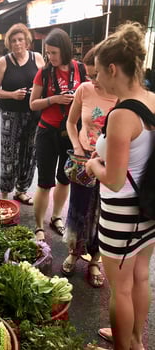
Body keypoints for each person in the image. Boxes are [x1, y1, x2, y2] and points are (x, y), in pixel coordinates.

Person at [86, 22, 155, 350]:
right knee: (141, 277)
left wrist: (91, 164)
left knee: (121, 289)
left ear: (113, 69)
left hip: (122, 215)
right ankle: (136, 341)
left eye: (98, 72)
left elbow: (113, 179)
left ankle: (124, 345)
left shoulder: (122, 115)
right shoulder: (153, 100)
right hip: (149, 209)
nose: (96, 79)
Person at [61, 47, 117, 288]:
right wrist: (77, 147)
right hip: (83, 162)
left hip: (111, 165)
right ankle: (74, 252)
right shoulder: (84, 90)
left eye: (96, 75)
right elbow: (71, 122)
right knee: (78, 210)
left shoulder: (122, 97)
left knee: (102, 214)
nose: (92, 81)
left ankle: (95, 259)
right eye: (89, 75)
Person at [29, 28, 85, 241]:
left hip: (71, 132)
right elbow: (33, 104)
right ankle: (38, 226)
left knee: (64, 179)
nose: (50, 57)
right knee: (44, 181)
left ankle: (55, 217)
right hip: (47, 131)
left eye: (54, 53)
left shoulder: (79, 69)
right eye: (47, 53)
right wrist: (54, 99)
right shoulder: (43, 72)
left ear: (65, 50)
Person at [0, 23, 44, 207]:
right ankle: (5, 194)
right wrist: (12, 95)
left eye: (20, 39)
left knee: (29, 154)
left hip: (33, 114)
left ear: (27, 41)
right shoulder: (4, 61)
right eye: (13, 40)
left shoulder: (37, 58)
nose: (17, 43)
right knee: (9, 154)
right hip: (11, 116)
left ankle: (21, 190)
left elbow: (45, 84)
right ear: (9, 43)